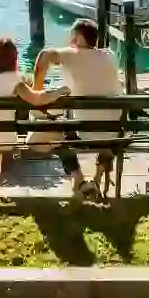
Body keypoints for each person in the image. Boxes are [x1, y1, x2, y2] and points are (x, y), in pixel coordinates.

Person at [30, 19, 124, 199]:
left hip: (85, 134)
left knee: (60, 133)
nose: (69, 42)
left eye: (71, 38)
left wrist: (37, 90)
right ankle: (96, 179)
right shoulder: (110, 55)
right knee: (110, 128)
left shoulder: (72, 55)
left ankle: (79, 180)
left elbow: (44, 55)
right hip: (113, 133)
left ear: (79, 38)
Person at [0, 37, 68, 197]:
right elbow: (37, 99)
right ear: (13, 58)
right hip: (5, 138)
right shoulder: (15, 80)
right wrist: (59, 91)